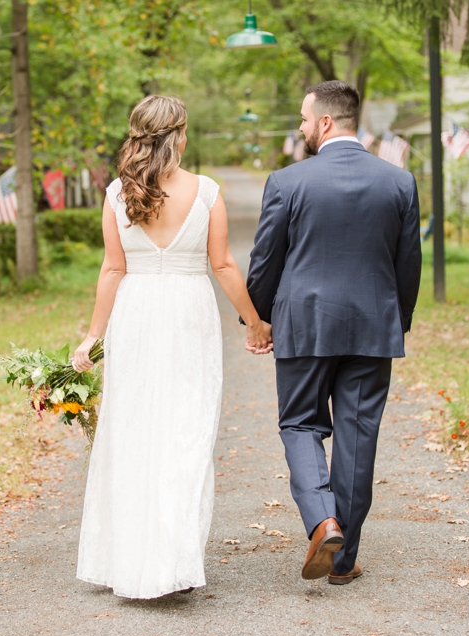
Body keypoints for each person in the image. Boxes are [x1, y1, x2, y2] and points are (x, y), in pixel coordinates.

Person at [71, 95, 272, 600]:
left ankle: (129, 561)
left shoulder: (119, 193)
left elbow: (113, 268)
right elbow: (223, 265)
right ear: (180, 135)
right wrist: (254, 324)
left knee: (133, 430)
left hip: (136, 314)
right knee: (185, 431)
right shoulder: (205, 192)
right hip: (187, 314)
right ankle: (171, 561)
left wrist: (93, 335)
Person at [245, 80, 422, 586]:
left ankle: (323, 521)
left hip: (303, 325)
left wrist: (259, 320)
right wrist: (396, 320)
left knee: (300, 423)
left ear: (325, 122)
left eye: (303, 119)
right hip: (372, 327)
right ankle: (344, 560)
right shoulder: (399, 182)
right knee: (357, 435)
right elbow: (408, 264)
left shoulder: (287, 182)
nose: (300, 128)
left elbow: (265, 261)